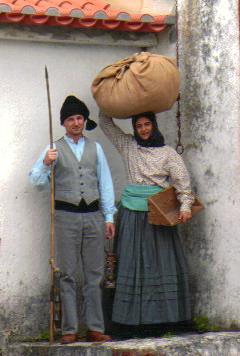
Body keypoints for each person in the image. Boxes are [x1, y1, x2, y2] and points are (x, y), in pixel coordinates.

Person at [29, 96, 116, 344]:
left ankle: (95, 328)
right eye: (70, 119)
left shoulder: (95, 148)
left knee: (94, 274)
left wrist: (109, 216)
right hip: (65, 217)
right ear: (63, 123)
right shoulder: (52, 149)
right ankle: (69, 329)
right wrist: (46, 164)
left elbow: (106, 183)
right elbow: (35, 182)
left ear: (84, 120)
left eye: (79, 118)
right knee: (66, 274)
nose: (76, 122)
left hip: (93, 216)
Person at [99, 110, 194, 333]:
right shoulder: (129, 146)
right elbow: (105, 122)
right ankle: (130, 321)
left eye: (147, 124)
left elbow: (183, 183)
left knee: (160, 264)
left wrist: (186, 206)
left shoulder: (168, 153)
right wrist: (109, 97)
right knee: (131, 262)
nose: (143, 129)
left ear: (154, 125)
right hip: (132, 214)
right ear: (134, 128)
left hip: (159, 215)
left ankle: (166, 319)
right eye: (139, 125)